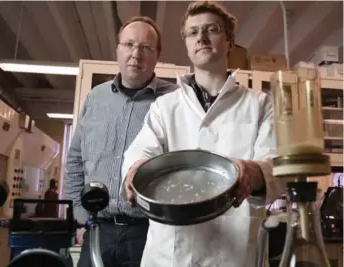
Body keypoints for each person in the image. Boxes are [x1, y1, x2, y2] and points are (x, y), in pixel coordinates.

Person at [122, 2, 286, 267]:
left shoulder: (260, 104)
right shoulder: (165, 107)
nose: (201, 37)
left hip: (235, 255)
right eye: (193, 32)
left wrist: (253, 171)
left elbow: (276, 166)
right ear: (187, 44)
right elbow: (140, 152)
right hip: (169, 255)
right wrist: (135, 169)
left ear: (230, 42)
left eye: (212, 29)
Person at [63, 16, 178, 267]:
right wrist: (81, 220)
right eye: (128, 44)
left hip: (149, 235)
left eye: (146, 48)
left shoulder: (173, 101)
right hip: (98, 231)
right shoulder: (96, 98)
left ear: (157, 56)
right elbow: (74, 162)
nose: (136, 54)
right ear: (118, 50)